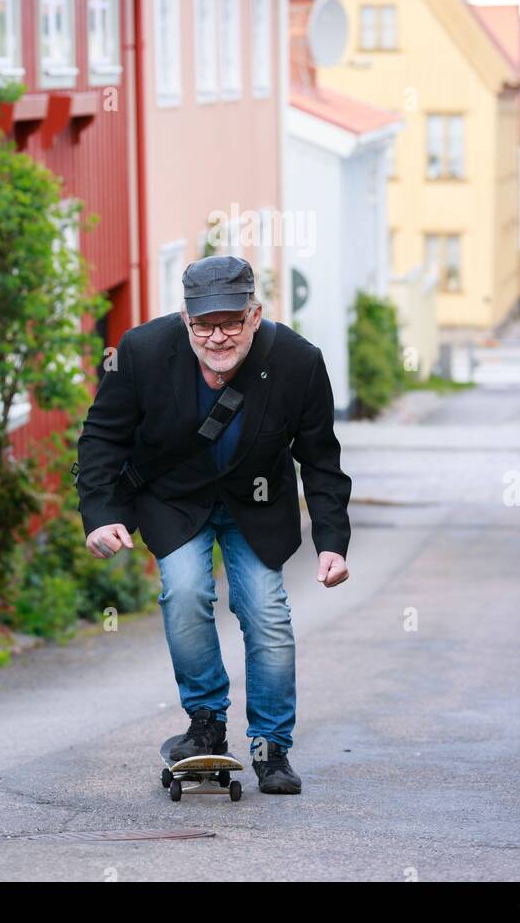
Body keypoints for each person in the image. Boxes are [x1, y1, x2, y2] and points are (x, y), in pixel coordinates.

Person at [75, 254, 352, 794]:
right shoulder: (141, 352)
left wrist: (332, 542)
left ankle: (272, 747)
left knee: (265, 609)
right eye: (204, 324)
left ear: (255, 314)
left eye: (230, 321)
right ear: (186, 319)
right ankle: (206, 724)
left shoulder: (298, 361)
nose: (218, 336)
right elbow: (102, 438)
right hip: (175, 501)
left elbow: (320, 459)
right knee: (183, 591)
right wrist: (101, 515)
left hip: (258, 503)